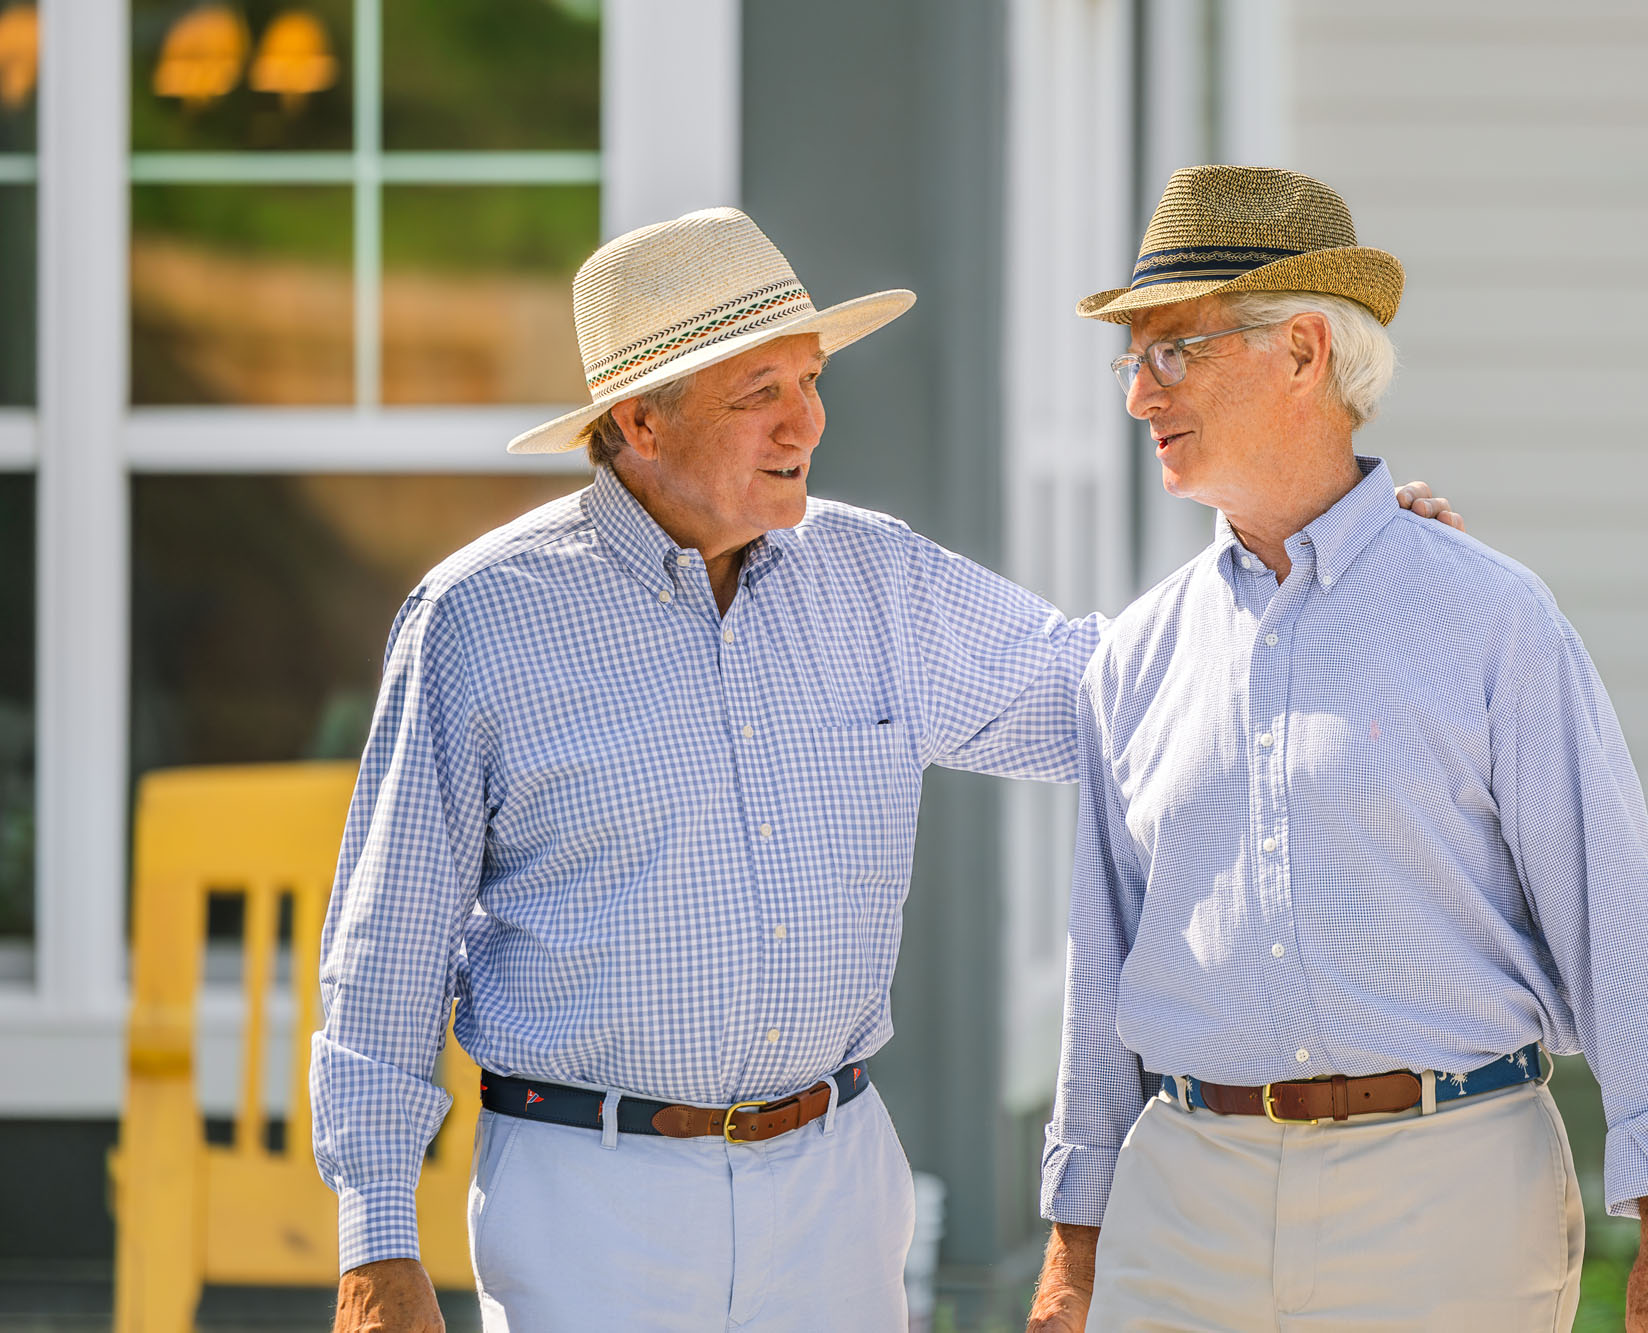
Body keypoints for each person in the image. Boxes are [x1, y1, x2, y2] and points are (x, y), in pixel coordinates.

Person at [314, 205, 1464, 1333]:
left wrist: (1326, 560)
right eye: (758, 394)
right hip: (589, 1193)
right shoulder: (482, 619)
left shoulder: (875, 580)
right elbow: (385, 953)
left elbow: (1117, 699)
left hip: (835, 1186)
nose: (804, 424)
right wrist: (376, 1247)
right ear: (640, 425)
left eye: (810, 382)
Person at [1029, 166, 1648, 1332]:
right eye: (1130, 362)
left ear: (1304, 351)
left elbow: (1615, 920)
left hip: (1450, 1194)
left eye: (1172, 354)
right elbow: (1098, 976)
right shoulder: (1137, 653)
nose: (1138, 398)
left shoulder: (1489, 617)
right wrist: (1073, 1246)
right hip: (1183, 1206)